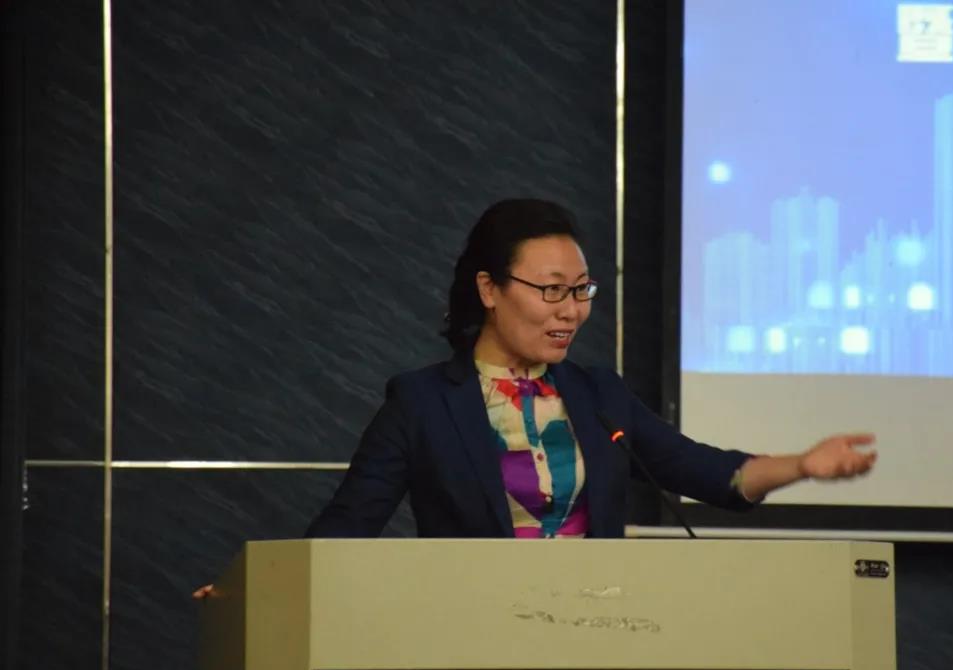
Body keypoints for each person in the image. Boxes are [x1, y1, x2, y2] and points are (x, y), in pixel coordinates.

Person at [304, 198, 877, 539]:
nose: (572, 310)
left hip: (596, 642)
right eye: (552, 290)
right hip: (472, 641)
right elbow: (344, 531)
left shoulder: (597, 395)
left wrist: (802, 464)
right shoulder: (422, 403)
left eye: (581, 290)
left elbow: (706, 473)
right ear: (489, 289)